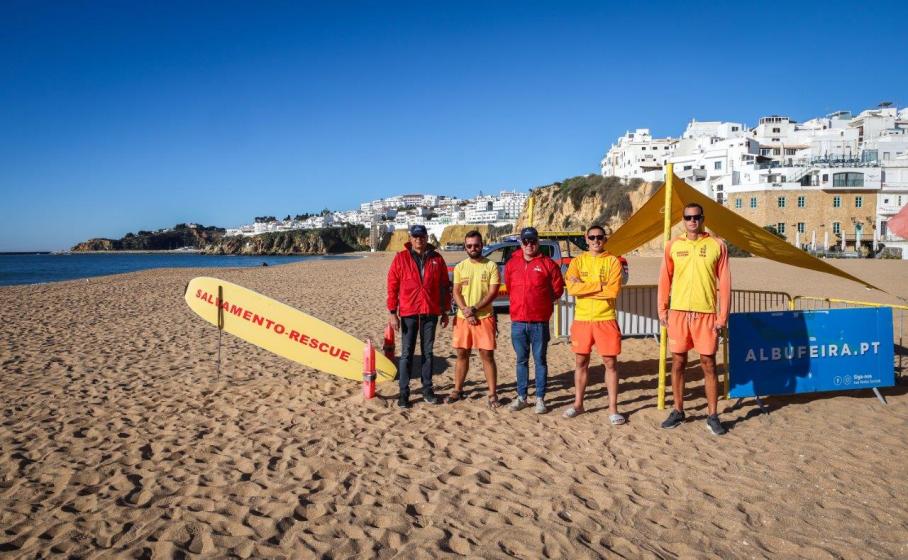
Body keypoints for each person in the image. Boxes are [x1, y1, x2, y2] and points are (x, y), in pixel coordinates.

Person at [657, 203, 731, 435]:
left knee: (708, 363)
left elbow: (726, 283)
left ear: (702, 219)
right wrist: (662, 310)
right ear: (683, 220)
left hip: (706, 315)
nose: (692, 221)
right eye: (688, 217)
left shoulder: (717, 245)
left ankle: (712, 415)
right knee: (678, 362)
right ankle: (678, 410)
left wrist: (722, 317)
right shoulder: (672, 246)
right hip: (678, 313)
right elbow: (664, 280)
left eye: (696, 217)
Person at [562, 225, 625, 424]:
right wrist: (599, 285)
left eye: (600, 237)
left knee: (610, 364)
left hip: (605, 319)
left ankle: (613, 409)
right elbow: (572, 288)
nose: (596, 240)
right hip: (582, 320)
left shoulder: (613, 261)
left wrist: (584, 286)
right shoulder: (577, 261)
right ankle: (578, 404)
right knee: (581, 362)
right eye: (592, 237)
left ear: (605, 239)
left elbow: (612, 291)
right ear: (586, 239)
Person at [387, 224, 450, 408]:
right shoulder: (401, 258)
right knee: (406, 354)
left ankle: (427, 389)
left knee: (428, 353)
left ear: (426, 237)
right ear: (410, 238)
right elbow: (392, 286)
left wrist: (445, 311)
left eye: (421, 236)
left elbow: (444, 286)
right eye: (415, 237)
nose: (418, 240)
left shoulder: (437, 258)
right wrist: (392, 312)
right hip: (409, 313)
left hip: (430, 312)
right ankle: (404, 392)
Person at [504, 227, 565, 414]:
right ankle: (521, 397)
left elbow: (557, 289)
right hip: (518, 322)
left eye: (532, 241)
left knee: (540, 360)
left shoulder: (548, 264)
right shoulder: (512, 264)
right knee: (521, 360)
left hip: (539, 322)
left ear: (538, 242)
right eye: (525, 241)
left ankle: (540, 398)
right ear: (521, 243)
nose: (529, 245)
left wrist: (542, 305)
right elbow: (509, 286)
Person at [448, 230, 501, 408]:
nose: (473, 248)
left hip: (484, 317)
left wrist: (475, 309)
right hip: (463, 318)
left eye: (476, 245)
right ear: (465, 247)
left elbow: (493, 292)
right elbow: (456, 291)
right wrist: (465, 310)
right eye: (469, 245)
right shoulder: (460, 267)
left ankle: (493, 393)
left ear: (482, 245)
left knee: (487, 355)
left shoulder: (491, 266)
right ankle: (457, 389)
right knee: (462, 353)